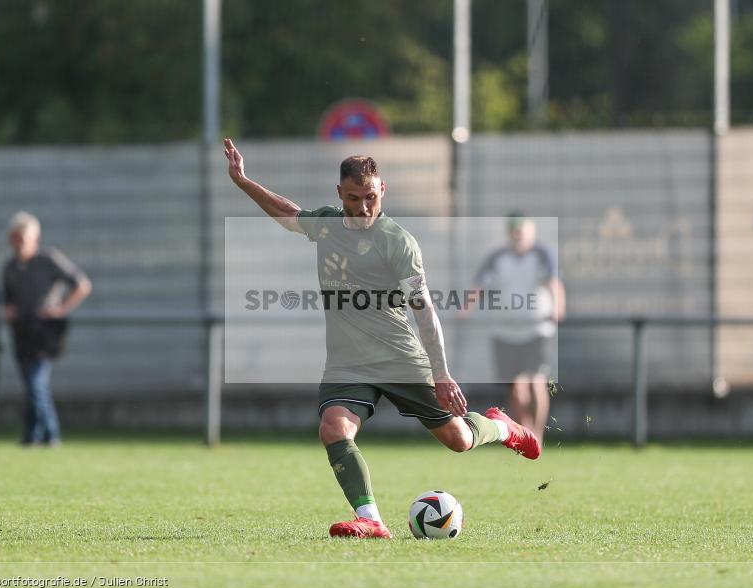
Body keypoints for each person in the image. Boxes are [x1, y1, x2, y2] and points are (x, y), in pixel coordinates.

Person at [223, 138, 540, 539]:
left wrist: (441, 374)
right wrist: (244, 182)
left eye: (371, 196)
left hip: (399, 357)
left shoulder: (399, 243)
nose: (363, 206)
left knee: (459, 439)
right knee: (334, 429)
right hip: (348, 363)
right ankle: (371, 519)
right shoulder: (328, 225)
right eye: (354, 197)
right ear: (340, 194)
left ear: (382, 189)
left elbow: (424, 310)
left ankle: (502, 427)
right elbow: (289, 213)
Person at [471, 213, 565, 440]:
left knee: (536, 381)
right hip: (505, 331)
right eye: (514, 230)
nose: (518, 235)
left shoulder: (542, 255)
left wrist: (558, 308)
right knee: (515, 386)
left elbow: (554, 283)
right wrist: (465, 311)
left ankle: (538, 434)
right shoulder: (497, 257)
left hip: (536, 330)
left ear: (531, 231)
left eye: (522, 230)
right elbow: (478, 286)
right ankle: (525, 434)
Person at [3, 212, 92, 447]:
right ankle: (32, 435)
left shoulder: (49, 259)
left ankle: (50, 434)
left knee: (36, 383)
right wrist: (9, 310)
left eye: (22, 237)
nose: (18, 243)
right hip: (21, 331)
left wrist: (61, 308)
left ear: (35, 238)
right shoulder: (10, 266)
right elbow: (7, 299)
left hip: (46, 331)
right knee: (32, 386)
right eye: (14, 237)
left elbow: (82, 284)